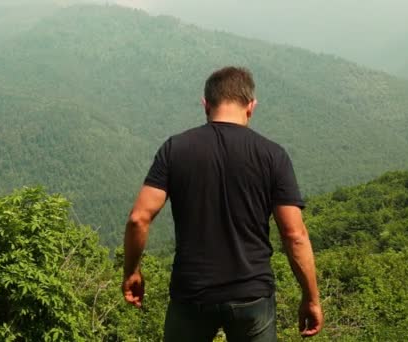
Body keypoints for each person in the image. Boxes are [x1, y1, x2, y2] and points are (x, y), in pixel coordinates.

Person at [122, 66, 323, 341]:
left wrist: (132, 271)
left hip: (191, 293)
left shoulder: (175, 149)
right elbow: (294, 234)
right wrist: (311, 297)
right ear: (251, 106)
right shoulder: (273, 155)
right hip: (252, 294)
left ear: (206, 104)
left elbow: (138, 219)